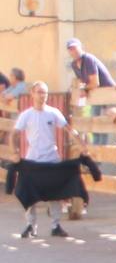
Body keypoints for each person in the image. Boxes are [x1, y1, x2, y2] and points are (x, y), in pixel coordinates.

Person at [12, 81, 86, 238]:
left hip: (51, 158)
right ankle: (30, 226)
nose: (42, 96)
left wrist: (81, 144)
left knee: (55, 192)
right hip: (33, 160)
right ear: (32, 94)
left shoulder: (53, 113)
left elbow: (68, 129)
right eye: (39, 92)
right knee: (29, 193)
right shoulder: (26, 115)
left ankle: (55, 225)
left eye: (45, 93)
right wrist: (15, 152)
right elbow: (15, 134)